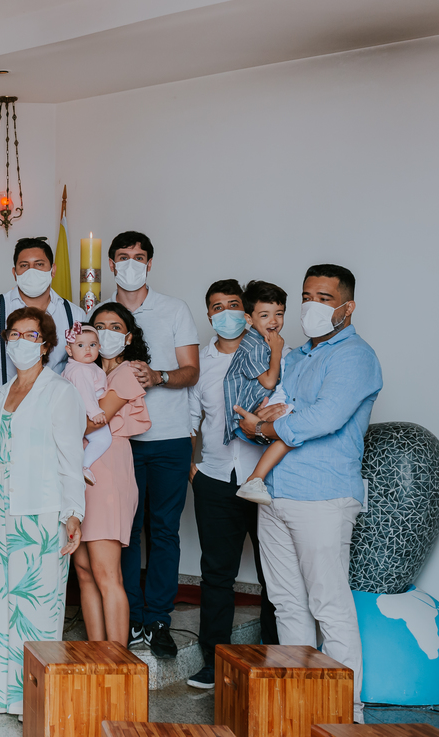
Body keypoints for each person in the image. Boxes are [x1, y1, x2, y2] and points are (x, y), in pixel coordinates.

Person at [234, 264, 381, 722]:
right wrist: (260, 424)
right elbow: (267, 412)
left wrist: (268, 424)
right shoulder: (295, 357)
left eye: (323, 297)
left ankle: (345, 712)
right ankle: (302, 706)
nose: (311, 306)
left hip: (322, 496)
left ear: (347, 307)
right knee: (286, 604)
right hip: (274, 493)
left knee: (328, 605)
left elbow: (324, 418)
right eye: (307, 296)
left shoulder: (355, 356)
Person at [0, 307, 84, 721]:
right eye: (14, 334)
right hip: (3, 516)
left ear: (46, 343)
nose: (21, 342)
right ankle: (3, 694)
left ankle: (33, 699)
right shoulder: (0, 395)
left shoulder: (60, 392)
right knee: (3, 609)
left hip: (42, 514)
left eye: (30, 335)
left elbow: (70, 458)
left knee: (39, 612)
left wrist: (73, 512)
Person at [102, 231, 199, 659]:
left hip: (170, 438)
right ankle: (131, 617)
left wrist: (158, 376)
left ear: (150, 264)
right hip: (120, 442)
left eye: (139, 257)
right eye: (123, 257)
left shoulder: (174, 309)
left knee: (164, 530)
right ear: (111, 265)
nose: (131, 263)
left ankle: (158, 618)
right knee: (123, 533)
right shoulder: (101, 314)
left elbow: (191, 370)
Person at [184, 280, 279, 691]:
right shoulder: (199, 362)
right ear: (208, 314)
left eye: (233, 305)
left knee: (275, 573)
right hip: (216, 478)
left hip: (267, 478)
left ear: (246, 310)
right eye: (216, 306)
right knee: (216, 574)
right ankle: (214, 660)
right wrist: (193, 466)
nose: (225, 312)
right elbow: (190, 418)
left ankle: (276, 654)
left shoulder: (271, 354)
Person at [71, 304, 150, 646]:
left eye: (114, 326)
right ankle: (97, 653)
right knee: (85, 572)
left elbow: (92, 420)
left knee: (107, 573)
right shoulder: (84, 373)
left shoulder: (126, 373)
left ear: (127, 336)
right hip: (79, 470)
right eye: (98, 326)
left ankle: (117, 661)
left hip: (106, 470)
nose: (105, 333)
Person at [0, 236, 85, 391]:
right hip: (2, 408)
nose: (32, 271)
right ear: (15, 273)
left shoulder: (75, 315)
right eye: (24, 265)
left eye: (39, 264)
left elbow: (83, 367)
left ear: (53, 270)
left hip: (54, 407)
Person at [223, 281, 292, 505]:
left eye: (279, 314)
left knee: (293, 428)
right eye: (265, 315)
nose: (273, 321)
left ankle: (258, 478)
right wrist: (277, 350)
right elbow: (270, 380)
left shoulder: (265, 342)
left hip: (258, 410)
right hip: (245, 419)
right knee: (292, 429)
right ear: (249, 319)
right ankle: (255, 479)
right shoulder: (253, 346)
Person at [61, 324, 112, 484]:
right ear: (69, 350)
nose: (87, 349)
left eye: (92, 345)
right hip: (85, 411)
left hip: (78, 411)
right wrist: (95, 412)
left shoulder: (82, 367)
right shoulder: (80, 370)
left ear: (99, 347)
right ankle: (83, 466)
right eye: (80, 345)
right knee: (103, 439)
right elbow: (85, 394)